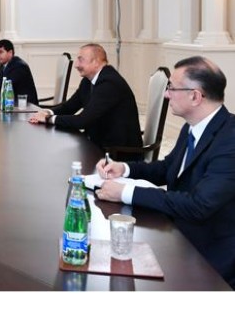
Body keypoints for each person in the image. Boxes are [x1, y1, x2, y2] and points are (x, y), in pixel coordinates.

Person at [95, 56, 235, 288]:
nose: (166, 94)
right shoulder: (193, 126)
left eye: (172, 88)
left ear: (195, 96)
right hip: (179, 233)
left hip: (211, 256)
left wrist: (126, 193)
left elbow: (198, 205)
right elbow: (167, 168)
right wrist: (125, 168)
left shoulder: (230, 140)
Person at [29, 43, 142, 158]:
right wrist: (47, 112)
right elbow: (69, 107)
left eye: (80, 60)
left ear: (96, 62)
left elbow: (82, 121)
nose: (76, 65)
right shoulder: (88, 80)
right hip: (97, 144)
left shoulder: (109, 83)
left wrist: (48, 119)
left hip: (117, 153)